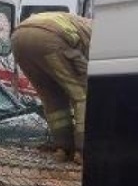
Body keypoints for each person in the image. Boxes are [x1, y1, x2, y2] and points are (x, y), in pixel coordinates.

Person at [10, 12, 91, 165]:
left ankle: (63, 148)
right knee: (82, 95)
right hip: (49, 38)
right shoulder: (99, 33)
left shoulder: (83, 23)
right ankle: (83, 151)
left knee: (52, 98)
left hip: (18, 37)